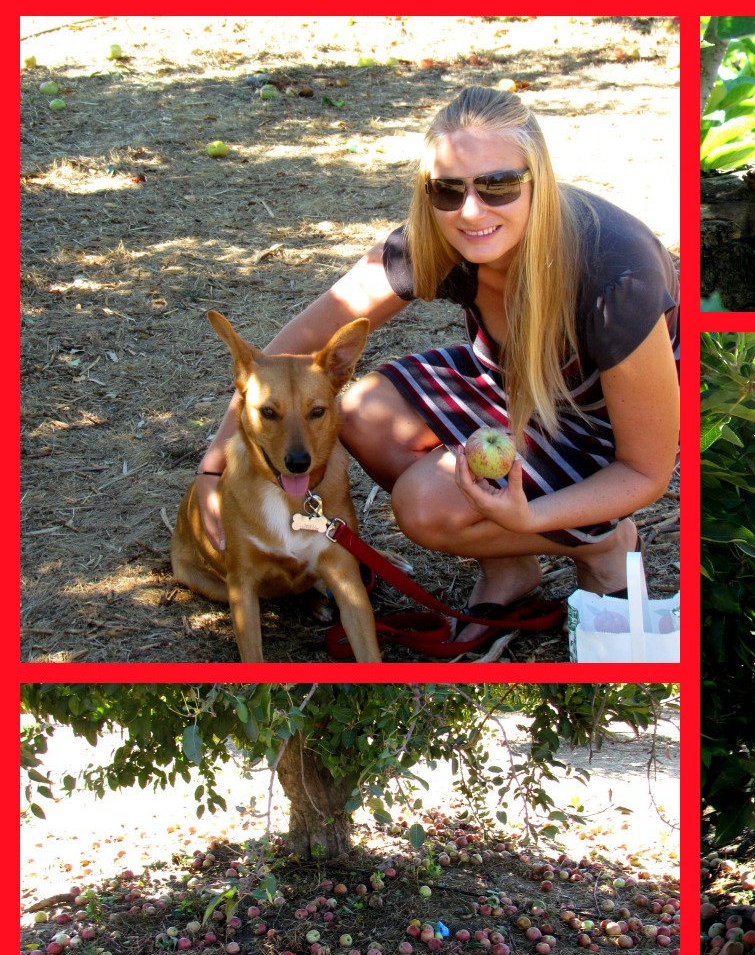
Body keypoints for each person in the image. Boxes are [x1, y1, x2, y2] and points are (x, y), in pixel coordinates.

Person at [193, 86, 680, 647]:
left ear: (537, 179)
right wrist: (214, 468)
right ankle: (510, 566)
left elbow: (646, 471)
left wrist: (529, 518)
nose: (472, 212)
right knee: (347, 413)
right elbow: (301, 340)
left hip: (600, 429)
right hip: (510, 386)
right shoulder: (440, 241)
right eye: (447, 190)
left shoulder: (614, 277)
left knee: (425, 507)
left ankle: (601, 545)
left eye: (498, 184)